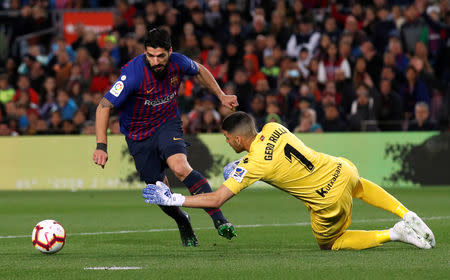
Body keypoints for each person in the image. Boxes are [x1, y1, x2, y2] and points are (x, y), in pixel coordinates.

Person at [143, 111, 436, 251]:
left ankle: (396, 233)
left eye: (227, 138)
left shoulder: (254, 163)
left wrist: (176, 199)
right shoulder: (274, 126)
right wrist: (241, 163)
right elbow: (275, 159)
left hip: (327, 199)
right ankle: (406, 213)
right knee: (357, 183)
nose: (227, 141)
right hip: (340, 167)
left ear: (235, 138)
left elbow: (217, 198)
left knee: (331, 243)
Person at [92, 28, 238, 247]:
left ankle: (219, 220)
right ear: (145, 53)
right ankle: (182, 220)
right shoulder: (132, 74)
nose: (155, 61)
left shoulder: (178, 62)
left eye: (161, 56)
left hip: (166, 125)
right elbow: (103, 106)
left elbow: (199, 70)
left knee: (180, 167)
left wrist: (221, 95)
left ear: (170, 51)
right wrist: (101, 146)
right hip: (138, 136)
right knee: (159, 189)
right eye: (150, 56)